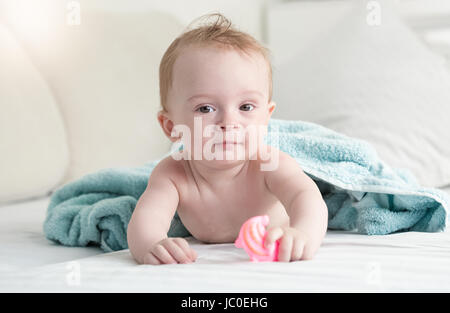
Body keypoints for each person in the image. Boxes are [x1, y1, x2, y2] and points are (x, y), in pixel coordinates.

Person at [127, 13, 328, 265]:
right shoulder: (173, 174)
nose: (228, 123)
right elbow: (146, 220)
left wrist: (302, 233)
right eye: (205, 109)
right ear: (172, 127)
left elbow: (306, 198)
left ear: (266, 117)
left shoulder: (268, 163)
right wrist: (152, 244)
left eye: (245, 107)